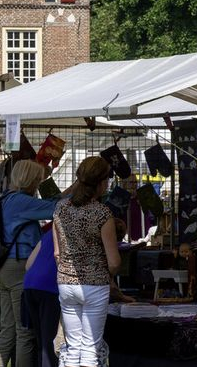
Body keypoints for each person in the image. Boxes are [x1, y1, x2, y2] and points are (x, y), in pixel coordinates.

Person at [53, 157, 121, 367]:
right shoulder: (102, 213)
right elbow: (114, 261)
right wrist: (110, 275)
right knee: (91, 348)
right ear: (101, 182)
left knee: (72, 348)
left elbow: (57, 254)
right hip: (95, 285)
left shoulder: (61, 209)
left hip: (66, 283)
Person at [0, 160, 63, 367]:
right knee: (24, 331)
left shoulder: (8, 198)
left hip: (5, 266)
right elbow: (55, 208)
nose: (38, 184)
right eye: (37, 180)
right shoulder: (22, 201)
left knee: (8, 329)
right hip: (19, 267)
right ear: (30, 180)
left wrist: (73, 189)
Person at [22, 223, 60, 367]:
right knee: (48, 341)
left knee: (41, 340)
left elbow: (28, 265)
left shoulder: (48, 234)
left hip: (30, 285)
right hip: (49, 287)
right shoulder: (72, 234)